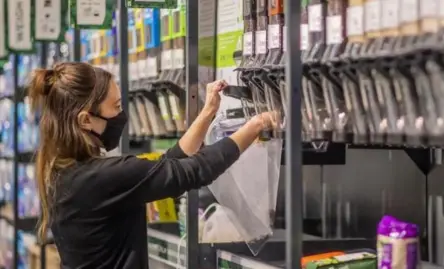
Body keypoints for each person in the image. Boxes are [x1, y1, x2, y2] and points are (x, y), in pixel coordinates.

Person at [28, 62, 276, 269]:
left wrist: (208, 112)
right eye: (115, 107)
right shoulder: (101, 176)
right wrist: (256, 124)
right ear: (85, 120)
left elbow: (167, 166)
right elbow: (193, 171)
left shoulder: (66, 171)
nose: (121, 115)